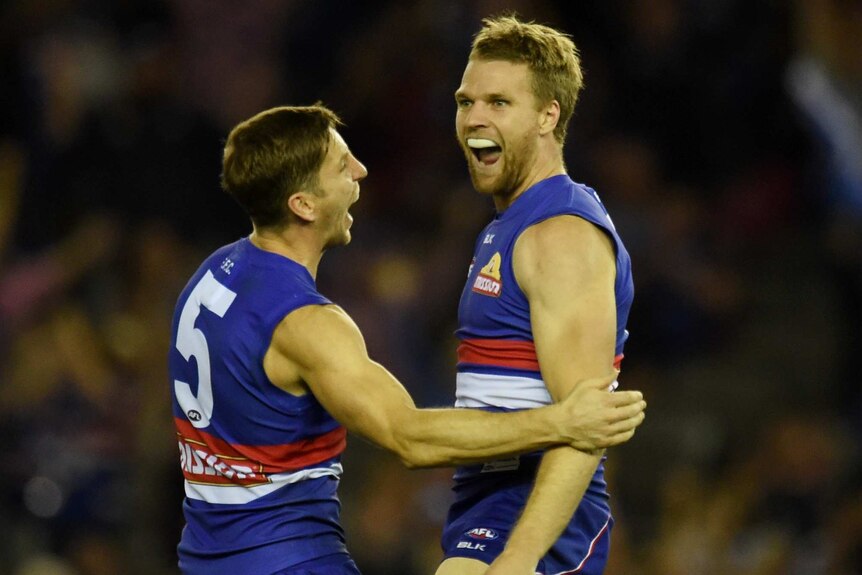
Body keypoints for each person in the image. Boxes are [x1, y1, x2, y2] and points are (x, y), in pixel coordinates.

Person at [168, 105, 646, 575]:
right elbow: (409, 437)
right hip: (290, 561)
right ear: (304, 205)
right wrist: (563, 421)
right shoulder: (304, 325)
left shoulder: (211, 276)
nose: (360, 170)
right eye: (341, 166)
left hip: (205, 557)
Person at [436, 16, 637, 575]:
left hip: (534, 517)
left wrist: (517, 560)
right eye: (465, 100)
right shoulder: (511, 225)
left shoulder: (561, 236)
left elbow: (584, 426)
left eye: (499, 103)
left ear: (549, 116)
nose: (474, 117)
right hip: (489, 503)